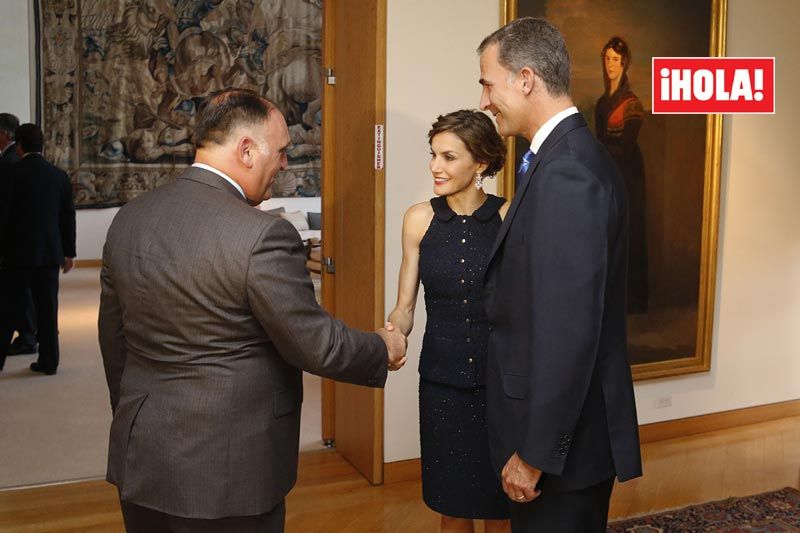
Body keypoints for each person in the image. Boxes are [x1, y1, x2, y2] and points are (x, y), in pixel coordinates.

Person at [98, 88, 407, 533]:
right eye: (280, 153)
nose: (284, 165)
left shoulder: (131, 217)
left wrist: (136, 416)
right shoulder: (263, 236)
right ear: (246, 150)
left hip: (142, 455)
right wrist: (384, 346)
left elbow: (114, 341)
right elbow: (315, 345)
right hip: (228, 471)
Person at [476, 18, 642, 531]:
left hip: (561, 454)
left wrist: (536, 453)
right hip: (556, 438)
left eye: (488, 83)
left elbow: (568, 331)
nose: (484, 100)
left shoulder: (567, 171)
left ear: (525, 79)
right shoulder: (554, 158)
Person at [388, 110, 510, 533]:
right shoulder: (418, 219)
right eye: (433, 154)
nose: (435, 166)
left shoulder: (508, 218)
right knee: (452, 504)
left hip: (500, 385)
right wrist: (395, 334)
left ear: (480, 163)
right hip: (441, 384)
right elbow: (405, 305)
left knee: (500, 505)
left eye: (448, 157)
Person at [0, 123, 76, 374]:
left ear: (19, 146)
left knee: (8, 308)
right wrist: (69, 252)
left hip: (16, 254)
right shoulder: (59, 176)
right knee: (47, 309)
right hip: (49, 253)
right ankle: (49, 362)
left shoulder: (10, 173)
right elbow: (67, 217)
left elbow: (3, 216)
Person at [595, 36, 648, 314]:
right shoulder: (603, 102)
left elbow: (626, 146)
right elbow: (599, 139)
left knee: (631, 232)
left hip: (628, 173)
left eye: (615, 59)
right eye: (607, 59)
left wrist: (603, 153)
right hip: (607, 172)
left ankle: (634, 301)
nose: (610, 65)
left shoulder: (631, 103)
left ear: (624, 63)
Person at [0, 113, 38, 356]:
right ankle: (28, 334)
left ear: (6, 134)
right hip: (25, 235)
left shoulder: (9, 162)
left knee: (18, 288)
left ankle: (27, 336)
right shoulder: (13, 159)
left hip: (14, 236)